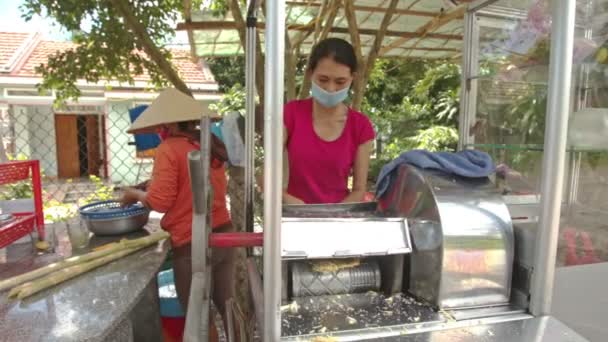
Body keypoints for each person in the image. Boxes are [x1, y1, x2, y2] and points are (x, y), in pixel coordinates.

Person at [119, 88, 235, 321]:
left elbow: (159, 202)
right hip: (224, 236)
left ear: (169, 126)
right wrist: (153, 183)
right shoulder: (208, 142)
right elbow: (194, 183)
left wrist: (132, 194)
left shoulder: (169, 148)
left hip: (192, 244)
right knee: (229, 309)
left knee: (199, 318)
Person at [283, 38, 376, 204]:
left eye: (340, 82)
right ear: (310, 74)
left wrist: (332, 217)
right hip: (294, 217)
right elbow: (265, 176)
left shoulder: (360, 126)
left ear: (352, 78)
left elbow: (359, 190)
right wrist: (286, 199)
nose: (331, 89)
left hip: (338, 221)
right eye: (323, 80)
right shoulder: (290, 114)